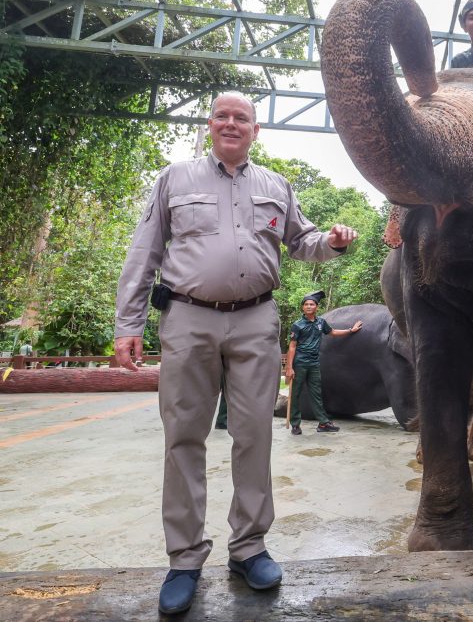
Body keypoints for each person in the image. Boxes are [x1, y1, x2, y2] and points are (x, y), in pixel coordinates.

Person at [113, 92, 358, 615]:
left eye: (241, 117)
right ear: (210, 125)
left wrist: (333, 242)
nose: (231, 123)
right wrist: (127, 325)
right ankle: (184, 558)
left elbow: (302, 241)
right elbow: (144, 252)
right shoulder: (175, 180)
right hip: (187, 316)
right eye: (222, 116)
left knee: (254, 434)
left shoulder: (275, 185)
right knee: (183, 435)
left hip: (255, 319)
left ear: (255, 129)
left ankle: (249, 548)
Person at [284, 290, 363, 435]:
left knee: (316, 393)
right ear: (303, 307)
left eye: (311, 304)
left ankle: (323, 423)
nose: (309, 306)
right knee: (295, 394)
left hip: (314, 364)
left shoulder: (321, 322)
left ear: (316, 307)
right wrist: (289, 367)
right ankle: (295, 424)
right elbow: (292, 346)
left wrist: (351, 330)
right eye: (306, 304)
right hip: (300, 363)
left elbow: (332, 332)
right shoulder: (297, 325)